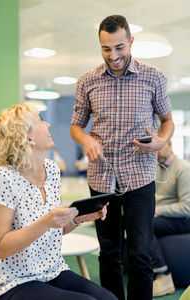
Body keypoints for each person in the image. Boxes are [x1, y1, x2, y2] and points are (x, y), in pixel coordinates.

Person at [70, 14, 174, 300]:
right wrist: (87, 138)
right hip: (101, 178)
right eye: (106, 49)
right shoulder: (87, 81)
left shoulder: (153, 77)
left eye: (119, 47)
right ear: (100, 45)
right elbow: (75, 127)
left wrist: (161, 141)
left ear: (131, 42)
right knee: (109, 252)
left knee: (141, 253)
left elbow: (167, 120)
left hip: (140, 177)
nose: (113, 56)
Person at [0, 103, 118, 300]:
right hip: (13, 281)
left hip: (52, 270)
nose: (48, 125)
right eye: (41, 121)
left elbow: (54, 230)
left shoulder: (52, 170)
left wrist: (79, 218)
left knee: (108, 298)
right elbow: (1, 247)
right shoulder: (3, 178)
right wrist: (46, 221)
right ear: (28, 137)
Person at [152, 141, 190, 297]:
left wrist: (155, 210)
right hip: (163, 215)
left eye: (160, 147)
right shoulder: (156, 166)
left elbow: (187, 207)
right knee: (129, 218)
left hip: (184, 219)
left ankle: (163, 275)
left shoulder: (183, 168)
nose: (157, 152)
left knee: (146, 225)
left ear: (169, 144)